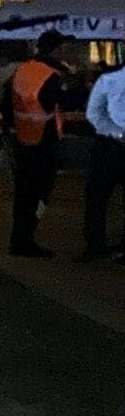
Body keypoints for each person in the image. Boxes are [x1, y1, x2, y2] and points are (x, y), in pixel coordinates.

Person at [0, 30, 73, 258]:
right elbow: (66, 101)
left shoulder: (23, 70)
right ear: (55, 50)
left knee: (23, 194)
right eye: (63, 48)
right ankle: (25, 240)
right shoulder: (51, 75)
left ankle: (19, 239)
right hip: (43, 142)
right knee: (38, 193)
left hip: (23, 139)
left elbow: (6, 103)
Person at [83, 59, 125, 263]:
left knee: (96, 199)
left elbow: (93, 113)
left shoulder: (108, 81)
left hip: (107, 146)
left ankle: (95, 245)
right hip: (110, 147)